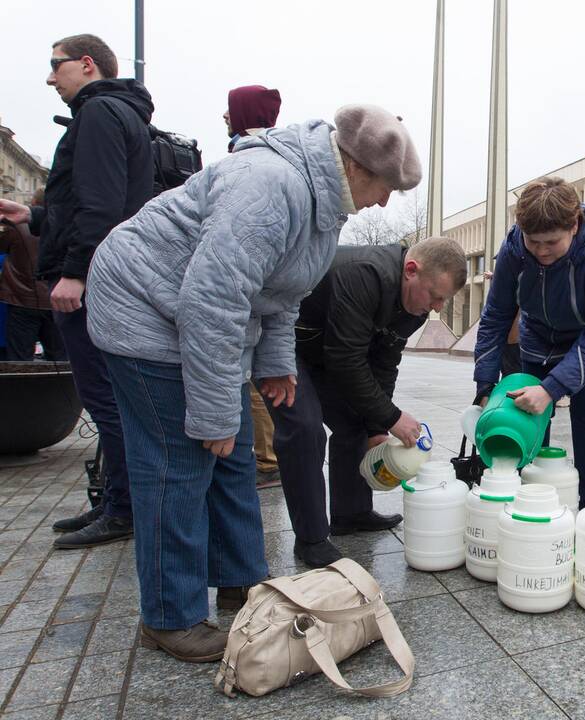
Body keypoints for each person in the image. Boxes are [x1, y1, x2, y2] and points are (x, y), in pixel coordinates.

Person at [85, 104, 421, 662]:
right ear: (356, 166)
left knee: (235, 455)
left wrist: (274, 363)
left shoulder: (322, 204)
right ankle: (170, 616)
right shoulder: (269, 185)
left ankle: (240, 579)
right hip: (143, 308)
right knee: (179, 461)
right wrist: (214, 412)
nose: (384, 201)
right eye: (385, 186)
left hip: (193, 317)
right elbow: (213, 299)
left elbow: (281, 294)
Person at [0, 34, 154, 548]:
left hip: (93, 280)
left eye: (56, 66)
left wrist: (77, 271)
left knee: (106, 401)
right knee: (108, 399)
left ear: (86, 65)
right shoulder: (118, 112)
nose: (50, 78)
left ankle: (123, 508)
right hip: (104, 273)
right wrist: (37, 216)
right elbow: (92, 200)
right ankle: (116, 502)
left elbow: (103, 204)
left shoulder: (99, 113)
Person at [272, 237, 465, 568]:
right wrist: (391, 417)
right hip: (288, 341)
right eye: (435, 296)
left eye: (443, 301)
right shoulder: (365, 273)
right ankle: (311, 538)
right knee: (305, 429)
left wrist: (377, 426)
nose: (436, 307)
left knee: (355, 423)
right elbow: (347, 360)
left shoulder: (414, 306)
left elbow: (384, 363)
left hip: (329, 350)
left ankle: (351, 513)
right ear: (411, 270)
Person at [474, 177, 585, 509]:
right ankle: (528, 492)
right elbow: (496, 315)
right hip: (540, 332)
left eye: (551, 242)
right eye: (534, 242)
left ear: (574, 226)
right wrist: (485, 383)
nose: (542, 252)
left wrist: (551, 389)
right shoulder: (515, 249)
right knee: (525, 409)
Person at [224, 84, 285, 489]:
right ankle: (265, 456)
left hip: (252, 292)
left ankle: (268, 459)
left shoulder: (252, 158)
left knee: (256, 384)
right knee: (256, 382)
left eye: (230, 112)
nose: (225, 118)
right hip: (254, 290)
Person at [0, 191, 66, 361]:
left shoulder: (15, 227)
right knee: (60, 358)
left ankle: (21, 388)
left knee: (19, 359)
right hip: (58, 299)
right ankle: (59, 388)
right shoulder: (66, 225)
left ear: (33, 203)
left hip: (22, 301)